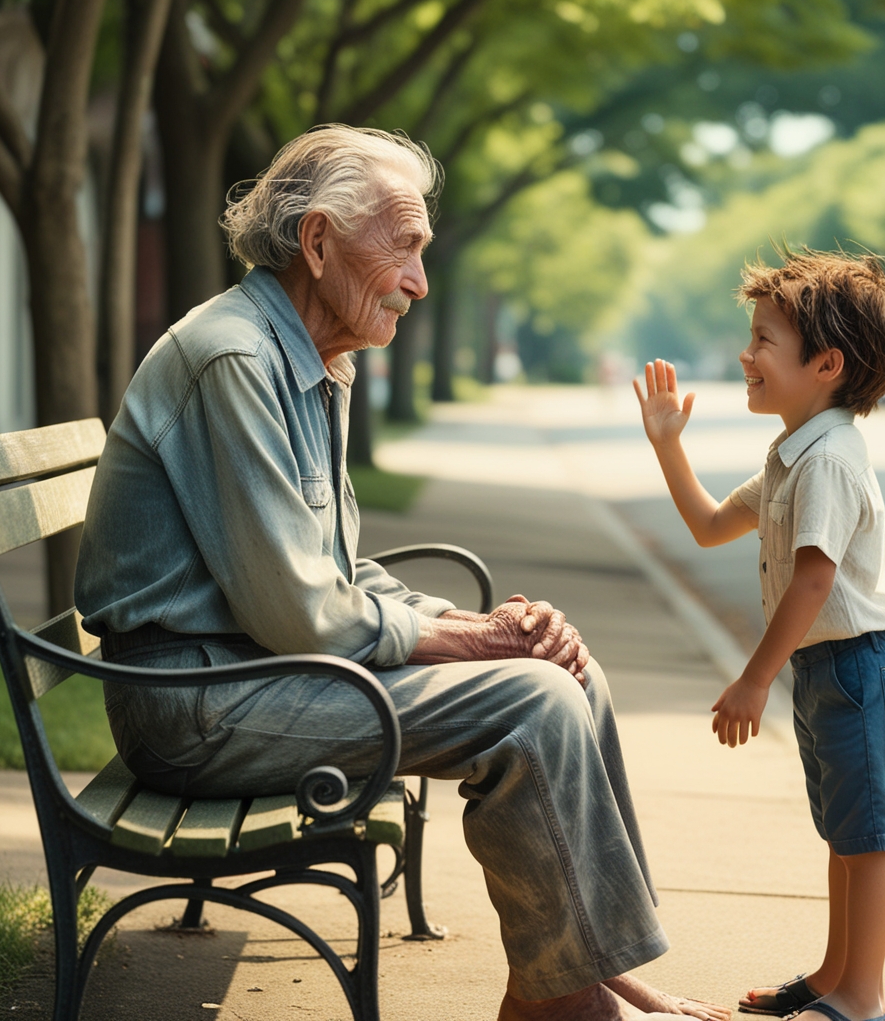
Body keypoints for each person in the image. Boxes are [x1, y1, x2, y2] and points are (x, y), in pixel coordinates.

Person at [76, 125, 731, 1021]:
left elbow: (331, 573)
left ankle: (585, 977)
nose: (421, 282)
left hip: (254, 676)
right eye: (407, 247)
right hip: (196, 706)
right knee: (530, 703)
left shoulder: (314, 361)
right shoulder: (235, 358)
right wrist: (479, 639)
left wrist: (498, 627)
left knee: (569, 672)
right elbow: (302, 611)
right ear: (318, 243)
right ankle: (573, 1001)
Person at [634, 249, 885, 1021]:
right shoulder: (793, 456)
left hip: (860, 670)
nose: (746, 354)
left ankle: (864, 1000)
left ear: (826, 364)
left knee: (869, 840)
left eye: (764, 340)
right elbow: (706, 527)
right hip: (830, 669)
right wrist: (668, 441)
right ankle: (835, 976)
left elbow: (813, 581)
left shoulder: (828, 461)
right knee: (843, 833)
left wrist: (754, 678)